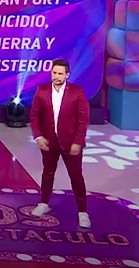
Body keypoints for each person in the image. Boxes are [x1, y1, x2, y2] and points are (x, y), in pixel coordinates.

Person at [29, 59, 91, 229]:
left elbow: (83, 120)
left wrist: (78, 142)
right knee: (47, 173)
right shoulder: (42, 90)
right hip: (49, 142)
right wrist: (38, 136)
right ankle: (44, 203)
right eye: (54, 73)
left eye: (60, 74)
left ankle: (82, 212)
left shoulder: (77, 92)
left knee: (76, 177)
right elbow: (34, 115)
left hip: (71, 143)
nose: (56, 76)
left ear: (67, 75)